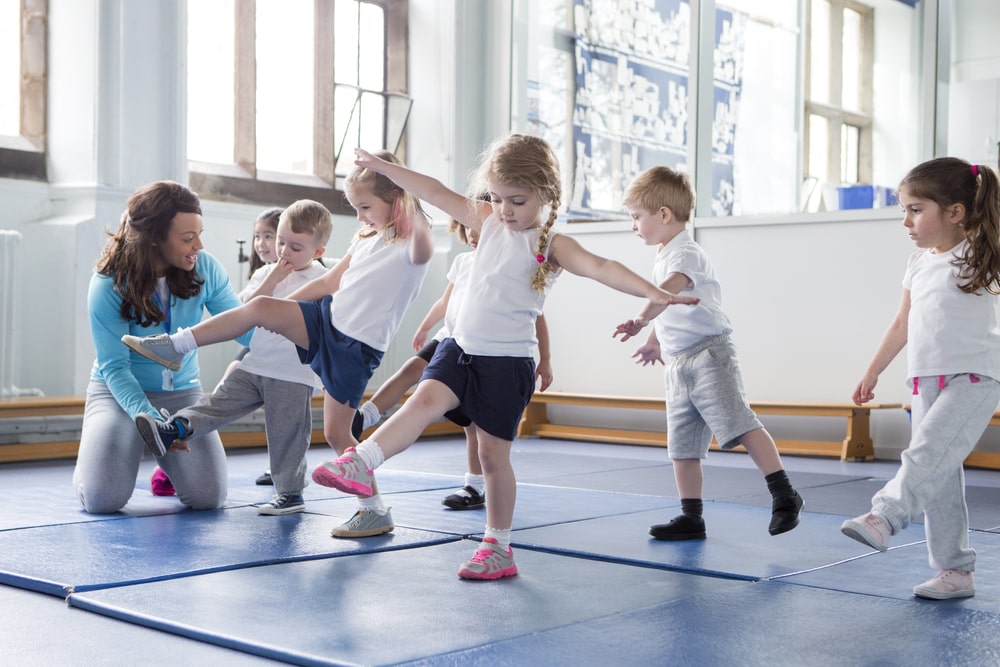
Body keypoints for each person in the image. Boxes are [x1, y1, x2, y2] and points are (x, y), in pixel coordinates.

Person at [310, 135, 699, 580]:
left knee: (494, 458)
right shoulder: (488, 220)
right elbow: (434, 190)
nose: (505, 209)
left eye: (517, 200)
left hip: (507, 363)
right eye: (496, 198)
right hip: (460, 348)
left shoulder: (551, 244)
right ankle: (362, 462)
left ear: (546, 195)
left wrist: (655, 293)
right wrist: (386, 170)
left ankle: (498, 546)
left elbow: (602, 267)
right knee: (421, 401)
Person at [122, 150, 433, 537]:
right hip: (325, 322)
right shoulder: (366, 237)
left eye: (365, 206)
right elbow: (326, 284)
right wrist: (278, 310)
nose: (360, 217)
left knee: (338, 435)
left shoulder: (412, 246)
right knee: (261, 308)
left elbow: (422, 245)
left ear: (398, 201)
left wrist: (404, 192)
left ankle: (374, 510)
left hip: (355, 347)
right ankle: (174, 346)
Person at [611, 166, 804, 541]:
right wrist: (654, 339)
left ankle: (784, 494)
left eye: (637, 217)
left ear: (663, 214)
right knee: (682, 446)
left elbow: (665, 293)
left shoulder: (688, 253)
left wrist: (638, 318)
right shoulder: (666, 253)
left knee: (740, 423)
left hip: (709, 356)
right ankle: (691, 516)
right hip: (679, 362)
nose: (633, 225)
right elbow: (670, 305)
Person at [841, 158, 1000, 600]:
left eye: (915, 209)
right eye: (903, 210)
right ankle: (955, 571)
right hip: (925, 380)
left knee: (926, 454)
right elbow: (901, 323)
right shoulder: (916, 264)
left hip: (975, 377)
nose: (906, 221)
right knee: (940, 477)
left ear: (954, 212)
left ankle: (884, 516)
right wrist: (872, 371)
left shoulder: (984, 253)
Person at [135, 200, 331, 515]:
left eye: (295, 247)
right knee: (217, 402)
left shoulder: (322, 280)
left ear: (318, 252)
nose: (283, 251)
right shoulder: (265, 273)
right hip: (255, 363)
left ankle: (290, 493)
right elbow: (244, 312)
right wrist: (272, 278)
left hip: (293, 371)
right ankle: (172, 429)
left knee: (287, 433)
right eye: (280, 242)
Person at [73, 180, 252, 514]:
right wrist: (155, 424)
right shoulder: (107, 284)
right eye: (187, 238)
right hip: (118, 392)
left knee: (208, 498)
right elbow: (115, 367)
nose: (198, 244)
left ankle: (167, 467)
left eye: (199, 233)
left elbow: (242, 328)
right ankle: (94, 465)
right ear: (154, 237)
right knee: (103, 500)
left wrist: (296, 339)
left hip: (182, 393)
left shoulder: (205, 267)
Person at [350, 221, 553, 510]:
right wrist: (424, 327)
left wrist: (545, 359)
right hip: (450, 340)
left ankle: (474, 485)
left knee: (474, 426)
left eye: (479, 226)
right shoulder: (463, 262)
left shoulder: (512, 268)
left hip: (486, 351)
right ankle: (366, 415)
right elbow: (445, 302)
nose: (472, 232)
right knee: (411, 370)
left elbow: (538, 316)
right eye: (468, 225)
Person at [150, 206, 286, 496]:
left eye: (269, 236)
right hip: (257, 346)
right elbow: (242, 311)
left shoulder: (307, 274)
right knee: (226, 386)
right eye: (257, 236)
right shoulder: (262, 274)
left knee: (283, 408)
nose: (261, 243)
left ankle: (282, 467)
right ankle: (173, 456)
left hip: (286, 354)